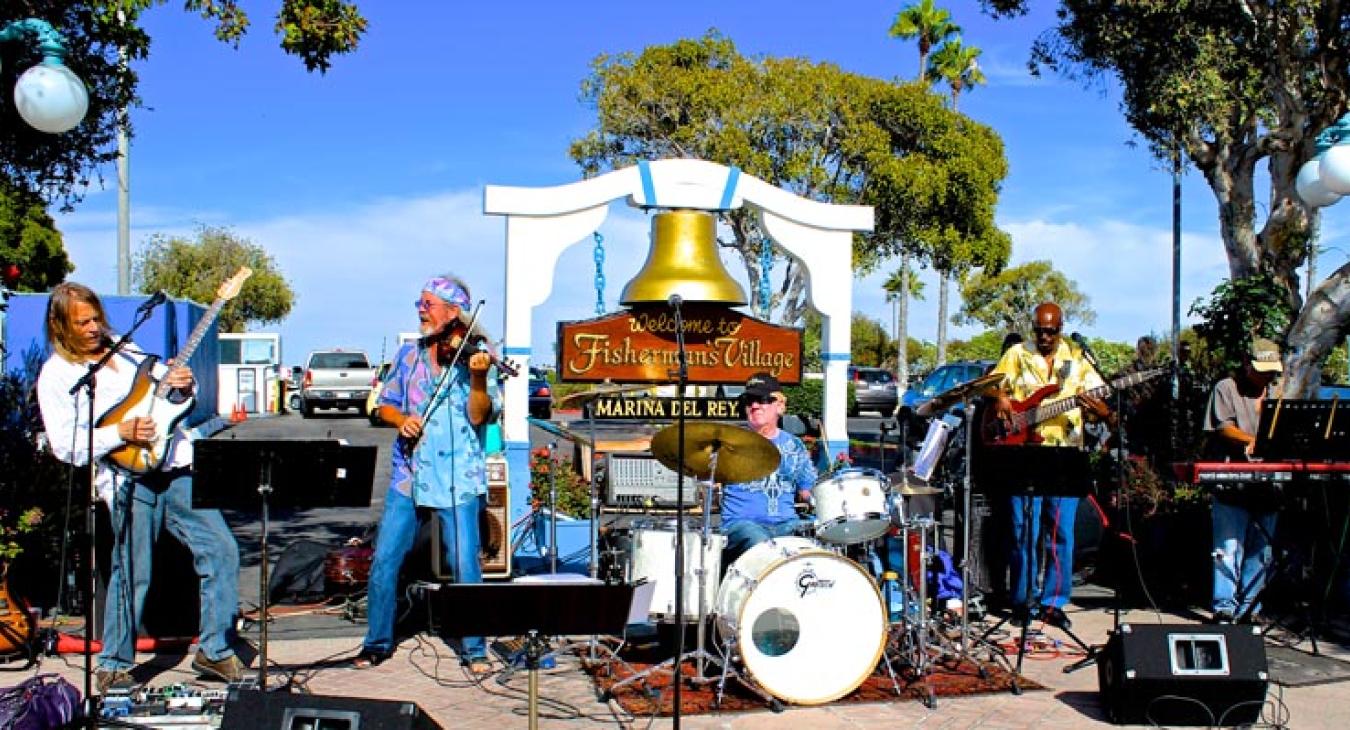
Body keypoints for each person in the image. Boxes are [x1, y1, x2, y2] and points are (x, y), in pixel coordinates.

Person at [35, 282, 243, 692]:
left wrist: (184, 384)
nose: (94, 328)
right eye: (82, 323)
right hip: (126, 476)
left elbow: (174, 398)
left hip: (176, 466)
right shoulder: (58, 374)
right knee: (132, 570)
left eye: (96, 318)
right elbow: (64, 445)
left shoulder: (126, 350)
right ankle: (114, 663)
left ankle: (215, 651)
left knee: (221, 550)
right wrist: (120, 432)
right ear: (60, 326)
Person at [356, 275, 500, 671]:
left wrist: (479, 378)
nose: (421, 310)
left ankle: (474, 649)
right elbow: (384, 403)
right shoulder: (409, 354)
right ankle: (376, 642)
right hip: (410, 472)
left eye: (428, 304)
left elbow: (480, 416)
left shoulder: (478, 355)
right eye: (419, 303)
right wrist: (400, 420)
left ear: (453, 313)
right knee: (385, 559)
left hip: (458, 475)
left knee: (465, 564)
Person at [989, 302, 1113, 629]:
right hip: (1023, 453)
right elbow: (990, 383)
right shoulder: (1017, 353)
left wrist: (1101, 411)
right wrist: (1000, 397)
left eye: (1051, 331)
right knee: (1023, 530)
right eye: (1039, 330)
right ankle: (1022, 600)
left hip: (1065, 454)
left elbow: (1097, 403)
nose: (1044, 337)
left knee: (1061, 533)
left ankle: (1053, 602)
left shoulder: (1078, 358)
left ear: (1060, 328)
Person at [1203, 337, 1283, 624]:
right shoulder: (1226, 388)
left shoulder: (1278, 391)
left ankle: (1251, 608)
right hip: (1232, 482)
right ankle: (1224, 606)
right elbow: (1222, 426)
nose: (1266, 376)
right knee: (1228, 547)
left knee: (1261, 550)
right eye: (1261, 370)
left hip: (1268, 483)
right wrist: (1251, 441)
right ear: (1247, 364)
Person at [720, 373, 817, 567]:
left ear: (779, 406)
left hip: (786, 525)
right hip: (742, 525)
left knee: (812, 547)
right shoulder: (729, 443)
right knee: (762, 545)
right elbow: (705, 481)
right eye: (749, 401)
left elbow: (807, 490)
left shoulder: (794, 445)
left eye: (762, 399)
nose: (754, 406)